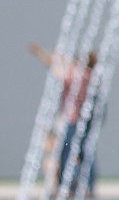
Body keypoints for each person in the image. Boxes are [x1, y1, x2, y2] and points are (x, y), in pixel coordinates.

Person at [28, 43, 99, 197]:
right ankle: (89, 187)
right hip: (86, 120)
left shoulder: (78, 74)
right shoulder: (91, 76)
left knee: (66, 152)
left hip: (73, 120)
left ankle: (65, 186)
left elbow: (58, 70)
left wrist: (41, 53)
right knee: (85, 153)